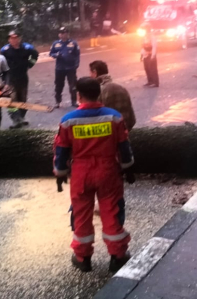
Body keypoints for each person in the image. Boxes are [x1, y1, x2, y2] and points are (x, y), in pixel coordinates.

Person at [53, 77, 134, 273]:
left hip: (81, 172)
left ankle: (83, 257)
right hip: (108, 171)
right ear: (99, 93)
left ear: (78, 95)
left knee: (81, 214)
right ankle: (117, 256)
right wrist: (128, 167)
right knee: (111, 211)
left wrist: (60, 173)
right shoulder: (114, 117)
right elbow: (124, 146)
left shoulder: (68, 120)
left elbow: (61, 149)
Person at [0, 31, 39, 128]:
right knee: (12, 100)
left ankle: (21, 117)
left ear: (19, 38)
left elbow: (35, 55)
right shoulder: (5, 50)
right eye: (11, 38)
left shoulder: (27, 48)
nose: (13, 40)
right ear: (9, 39)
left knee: (23, 99)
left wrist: (30, 64)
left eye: (15, 38)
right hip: (10, 78)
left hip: (23, 77)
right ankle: (15, 120)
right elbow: (0, 62)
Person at [90, 60, 136, 131]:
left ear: (95, 72)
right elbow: (132, 118)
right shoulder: (121, 88)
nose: (90, 76)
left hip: (108, 134)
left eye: (91, 73)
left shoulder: (98, 91)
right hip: (124, 132)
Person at [50, 27, 80, 109]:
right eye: (62, 33)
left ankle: (74, 101)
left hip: (71, 68)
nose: (64, 35)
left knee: (73, 85)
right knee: (59, 85)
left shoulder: (73, 43)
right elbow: (51, 53)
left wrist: (77, 64)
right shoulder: (55, 43)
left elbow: (77, 54)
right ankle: (58, 101)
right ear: (59, 34)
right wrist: (56, 55)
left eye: (65, 33)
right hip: (60, 68)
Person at [140, 23, 159, 88]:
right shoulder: (144, 37)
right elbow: (142, 46)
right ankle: (150, 81)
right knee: (147, 69)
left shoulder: (152, 36)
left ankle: (155, 82)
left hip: (151, 55)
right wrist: (141, 55)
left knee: (153, 69)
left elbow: (154, 46)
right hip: (145, 55)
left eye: (145, 28)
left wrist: (153, 55)